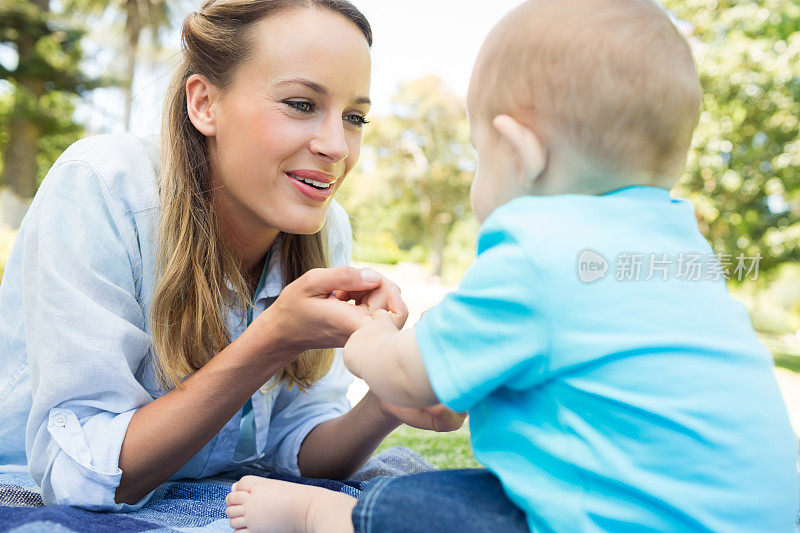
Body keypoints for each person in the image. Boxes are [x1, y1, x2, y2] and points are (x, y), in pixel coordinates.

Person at [223, 0, 800, 531]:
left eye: (479, 153)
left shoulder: (536, 254)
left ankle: (326, 517)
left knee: (429, 502)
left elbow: (407, 375)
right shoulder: (683, 250)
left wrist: (370, 336)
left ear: (522, 155)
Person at [0, 0, 465, 511]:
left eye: (355, 117)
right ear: (204, 104)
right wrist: (273, 338)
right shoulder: (102, 189)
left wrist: (386, 402)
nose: (338, 146)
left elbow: (297, 454)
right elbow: (76, 480)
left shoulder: (327, 230)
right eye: (301, 104)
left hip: (211, 500)